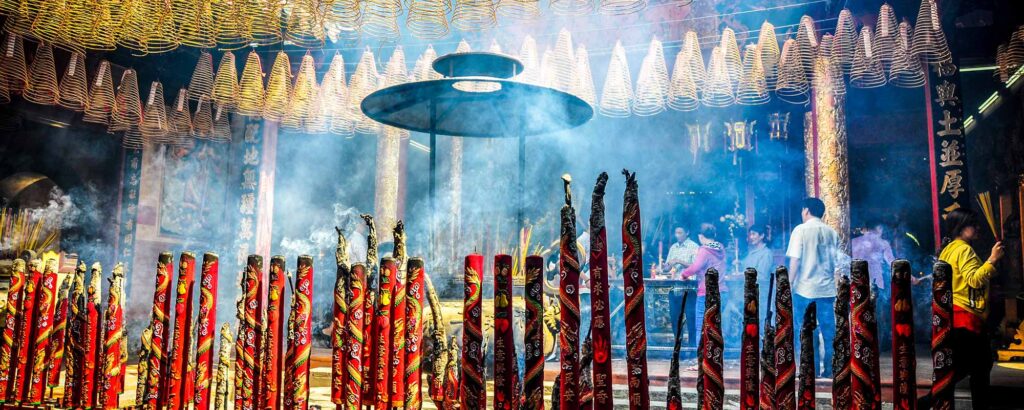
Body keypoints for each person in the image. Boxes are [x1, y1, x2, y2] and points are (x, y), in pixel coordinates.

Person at [917, 208, 1004, 409]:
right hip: (966, 316)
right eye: (973, 224)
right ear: (961, 227)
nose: (977, 228)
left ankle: (929, 401)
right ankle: (927, 402)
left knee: (966, 367)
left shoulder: (949, 249)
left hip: (953, 315)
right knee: (976, 367)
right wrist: (992, 259)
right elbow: (973, 279)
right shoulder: (964, 249)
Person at [786, 198, 840, 378]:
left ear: (806, 210)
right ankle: (831, 371)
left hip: (805, 290)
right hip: (826, 290)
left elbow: (795, 260)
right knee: (829, 333)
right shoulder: (832, 232)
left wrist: (788, 284)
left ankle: (813, 370)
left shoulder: (800, 230)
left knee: (807, 332)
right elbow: (835, 263)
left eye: (803, 211)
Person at [680, 223, 727, 355]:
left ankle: (701, 359)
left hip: (706, 293)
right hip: (722, 291)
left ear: (700, 236)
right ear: (714, 235)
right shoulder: (721, 248)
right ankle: (715, 357)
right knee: (716, 327)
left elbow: (695, 267)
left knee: (701, 326)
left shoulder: (704, 250)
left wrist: (683, 274)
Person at [852, 218, 896, 350]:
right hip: (877, 284)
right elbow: (893, 263)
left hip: (857, 284)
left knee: (858, 315)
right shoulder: (883, 243)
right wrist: (910, 276)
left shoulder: (853, 242)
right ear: (879, 229)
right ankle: (876, 346)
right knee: (877, 316)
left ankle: (859, 345)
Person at [665, 226, 699, 347]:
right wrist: (666, 267)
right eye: (676, 232)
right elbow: (667, 266)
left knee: (691, 318)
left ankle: (692, 347)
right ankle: (678, 345)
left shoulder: (694, 246)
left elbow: (695, 266)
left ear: (687, 232)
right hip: (675, 287)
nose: (677, 235)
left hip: (689, 288)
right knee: (675, 318)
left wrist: (679, 261)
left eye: (680, 232)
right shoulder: (673, 247)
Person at [741, 224, 775, 320]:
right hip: (749, 292)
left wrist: (743, 275)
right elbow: (747, 265)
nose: (751, 237)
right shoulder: (752, 252)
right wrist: (739, 263)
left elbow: (762, 276)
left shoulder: (766, 253)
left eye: (753, 234)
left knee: (758, 320)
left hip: (760, 294)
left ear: (762, 236)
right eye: (750, 234)